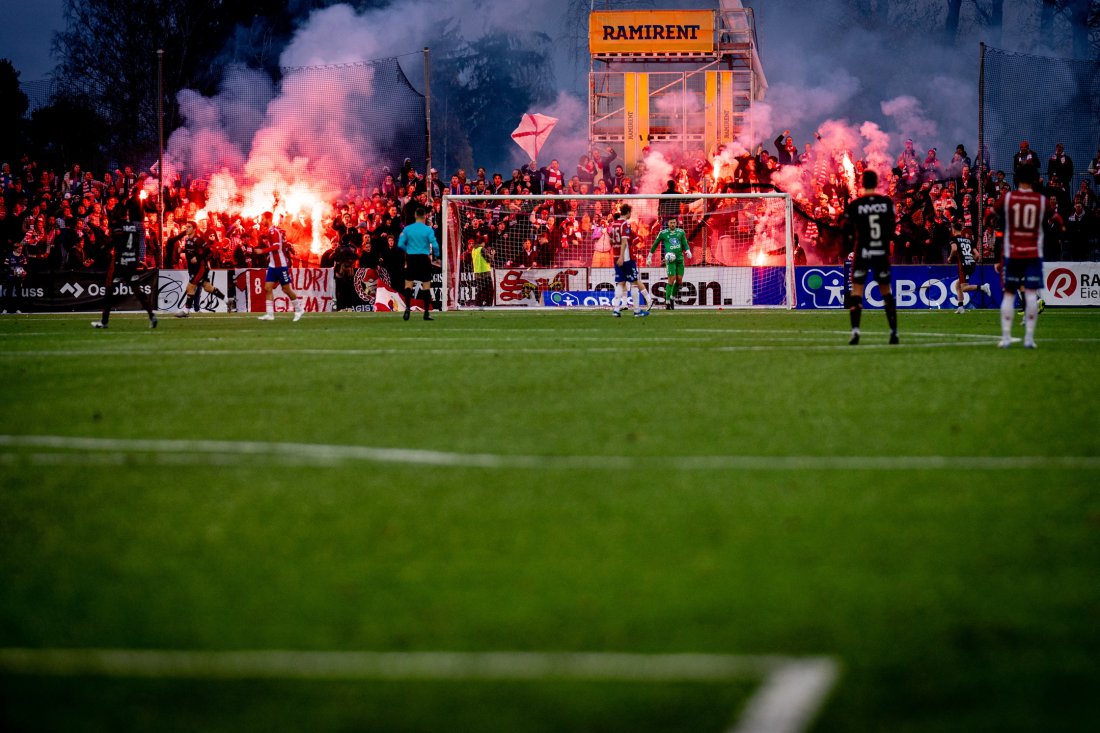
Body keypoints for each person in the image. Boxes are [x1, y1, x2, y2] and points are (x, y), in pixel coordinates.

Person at [992, 165, 1060, 348]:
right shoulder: (1040, 200)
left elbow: (993, 214)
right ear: (1034, 179)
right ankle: (1029, 338)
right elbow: (1056, 218)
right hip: (1033, 253)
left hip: (1013, 252)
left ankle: (1006, 337)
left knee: (1008, 294)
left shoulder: (1009, 198)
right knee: (1031, 294)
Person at [840, 169, 898, 345]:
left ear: (862, 183)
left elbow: (846, 229)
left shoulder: (856, 205)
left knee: (856, 292)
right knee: (886, 291)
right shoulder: (886, 203)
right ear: (877, 182)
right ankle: (893, 333)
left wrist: (850, 238)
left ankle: (856, 332)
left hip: (862, 251)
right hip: (880, 251)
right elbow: (891, 229)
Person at [91, 201, 158, 329]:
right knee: (137, 290)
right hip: (131, 262)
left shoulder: (117, 226)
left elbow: (115, 243)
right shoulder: (132, 226)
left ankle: (104, 321)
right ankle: (152, 315)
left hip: (121, 263)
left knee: (109, 290)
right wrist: (137, 259)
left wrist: (103, 247)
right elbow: (137, 243)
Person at [253, 211, 304, 322]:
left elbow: (277, 246)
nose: (261, 221)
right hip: (272, 265)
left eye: (262, 219)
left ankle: (299, 309)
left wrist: (263, 251)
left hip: (280, 265)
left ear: (268, 218)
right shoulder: (270, 231)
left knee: (286, 289)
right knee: (267, 288)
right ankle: (270, 314)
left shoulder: (274, 231)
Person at [171, 221, 226, 316]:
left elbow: (209, 253)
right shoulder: (187, 240)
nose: (186, 229)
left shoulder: (199, 240)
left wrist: (198, 258)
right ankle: (227, 300)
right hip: (193, 268)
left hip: (200, 268)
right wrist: (182, 250)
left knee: (190, 287)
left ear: (194, 229)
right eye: (186, 227)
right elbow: (191, 251)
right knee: (208, 288)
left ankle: (186, 311)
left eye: (189, 227)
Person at [397, 205, 440, 321]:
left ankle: (407, 309)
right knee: (426, 285)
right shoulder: (428, 230)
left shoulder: (407, 229)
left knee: (408, 284)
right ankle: (426, 313)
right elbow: (435, 245)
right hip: (424, 258)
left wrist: (409, 251)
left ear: (415, 216)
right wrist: (437, 256)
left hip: (411, 258)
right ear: (425, 216)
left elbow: (400, 244)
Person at [606, 204, 649, 318]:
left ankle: (616, 310)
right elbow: (624, 242)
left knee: (620, 283)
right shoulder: (625, 224)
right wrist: (621, 256)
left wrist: (616, 253)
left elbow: (610, 240)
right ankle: (637, 311)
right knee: (634, 282)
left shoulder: (613, 224)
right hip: (625, 258)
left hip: (615, 257)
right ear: (628, 212)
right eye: (631, 212)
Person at [947, 221, 992, 313]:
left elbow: (954, 249)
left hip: (963, 265)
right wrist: (970, 261)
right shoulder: (968, 240)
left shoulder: (954, 239)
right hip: (971, 263)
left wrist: (950, 258)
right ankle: (960, 307)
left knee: (963, 288)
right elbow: (977, 255)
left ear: (953, 230)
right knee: (957, 285)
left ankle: (983, 287)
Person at [650, 216, 692, 310]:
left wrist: (688, 250)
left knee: (679, 280)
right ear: (668, 224)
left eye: (674, 222)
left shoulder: (681, 232)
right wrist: (650, 256)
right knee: (671, 280)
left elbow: (684, 243)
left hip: (680, 259)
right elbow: (655, 244)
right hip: (670, 260)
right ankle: (668, 301)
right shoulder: (663, 233)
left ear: (676, 223)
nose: (672, 224)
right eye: (671, 223)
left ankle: (672, 297)